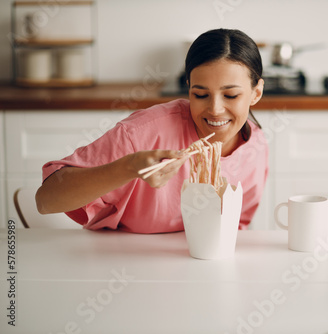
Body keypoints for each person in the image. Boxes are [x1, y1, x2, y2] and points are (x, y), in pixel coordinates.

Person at [35, 28, 268, 233]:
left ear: (256, 93)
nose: (215, 109)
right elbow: (46, 200)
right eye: (200, 95)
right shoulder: (144, 133)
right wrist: (129, 167)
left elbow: (236, 229)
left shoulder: (256, 146)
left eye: (230, 95)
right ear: (188, 90)